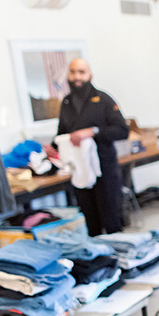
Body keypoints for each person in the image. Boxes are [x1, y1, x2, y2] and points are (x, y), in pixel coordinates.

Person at [55, 58, 129, 236]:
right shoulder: (66, 103)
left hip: (105, 168)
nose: (77, 76)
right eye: (73, 72)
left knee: (111, 219)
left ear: (90, 75)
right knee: (90, 221)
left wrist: (92, 132)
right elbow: (61, 134)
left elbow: (122, 131)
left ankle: (120, 258)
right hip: (80, 170)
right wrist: (51, 148)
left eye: (81, 72)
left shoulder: (103, 100)